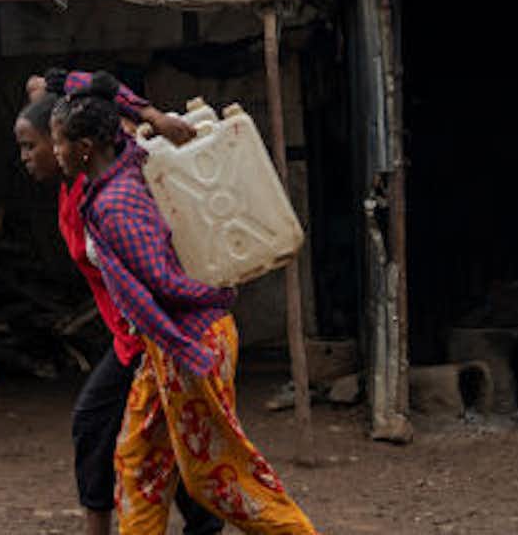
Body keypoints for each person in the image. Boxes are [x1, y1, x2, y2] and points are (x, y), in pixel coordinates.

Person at [53, 93, 320, 535]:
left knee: (216, 477)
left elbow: (162, 281)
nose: (54, 149)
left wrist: (215, 297)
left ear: (84, 147)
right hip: (166, 346)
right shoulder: (122, 174)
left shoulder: (115, 204)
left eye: (59, 141)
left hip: (191, 340)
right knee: (139, 460)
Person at [14, 88, 221, 535]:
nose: (26, 157)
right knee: (161, 436)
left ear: (68, 142)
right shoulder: (73, 193)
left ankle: (106, 527)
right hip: (128, 334)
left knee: (100, 424)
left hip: (149, 333)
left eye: (33, 145)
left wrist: (150, 116)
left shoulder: (108, 195)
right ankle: (202, 525)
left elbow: (154, 277)